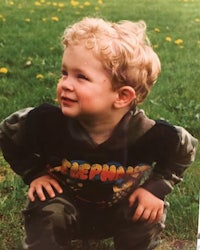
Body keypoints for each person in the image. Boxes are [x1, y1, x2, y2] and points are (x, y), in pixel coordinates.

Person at [0, 17, 198, 250]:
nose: (65, 84)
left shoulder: (150, 134)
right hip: (63, 204)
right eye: (65, 73)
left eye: (81, 77)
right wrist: (34, 173)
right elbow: (7, 133)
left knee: (147, 210)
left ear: (122, 96)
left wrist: (155, 189)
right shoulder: (46, 122)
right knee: (47, 208)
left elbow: (185, 149)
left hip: (120, 208)